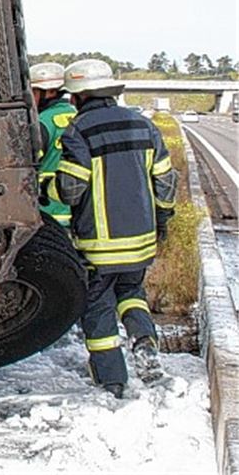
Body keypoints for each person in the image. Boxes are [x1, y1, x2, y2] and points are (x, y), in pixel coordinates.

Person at [55, 59, 178, 399]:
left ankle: (112, 380)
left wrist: (48, 187)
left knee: (97, 304)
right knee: (132, 292)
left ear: (78, 97)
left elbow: (71, 190)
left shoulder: (79, 130)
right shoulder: (144, 125)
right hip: (141, 240)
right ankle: (145, 343)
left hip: (99, 243)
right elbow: (165, 181)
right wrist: (162, 221)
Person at [29, 62, 76, 228]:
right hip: (76, 212)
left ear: (49, 92)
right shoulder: (77, 116)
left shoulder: (42, 122)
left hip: (48, 212)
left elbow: (29, 161)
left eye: (34, 92)